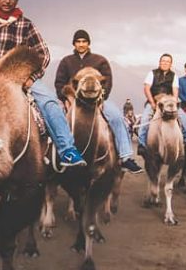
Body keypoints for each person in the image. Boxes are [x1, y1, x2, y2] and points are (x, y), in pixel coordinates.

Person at [0, 0, 86, 168]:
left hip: (19, 79)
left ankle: (67, 150)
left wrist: (32, 77)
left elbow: (44, 54)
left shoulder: (26, 25)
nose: (7, 1)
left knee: (50, 102)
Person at [53, 29, 143, 173]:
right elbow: (59, 83)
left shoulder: (100, 60)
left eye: (84, 41)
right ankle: (54, 158)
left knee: (117, 117)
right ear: (74, 44)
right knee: (53, 118)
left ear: (88, 43)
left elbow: (107, 82)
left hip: (97, 100)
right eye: (78, 42)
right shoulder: (66, 62)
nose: (81, 44)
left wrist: (102, 99)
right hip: (72, 101)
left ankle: (126, 157)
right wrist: (66, 98)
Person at [137, 53, 186, 152]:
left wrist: (175, 103)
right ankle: (141, 144)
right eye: (163, 61)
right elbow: (147, 89)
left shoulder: (174, 76)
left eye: (167, 61)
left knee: (184, 117)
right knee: (145, 118)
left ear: (171, 64)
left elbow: (175, 90)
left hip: (169, 102)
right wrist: (152, 103)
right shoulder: (152, 73)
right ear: (159, 62)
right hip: (154, 100)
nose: (165, 63)